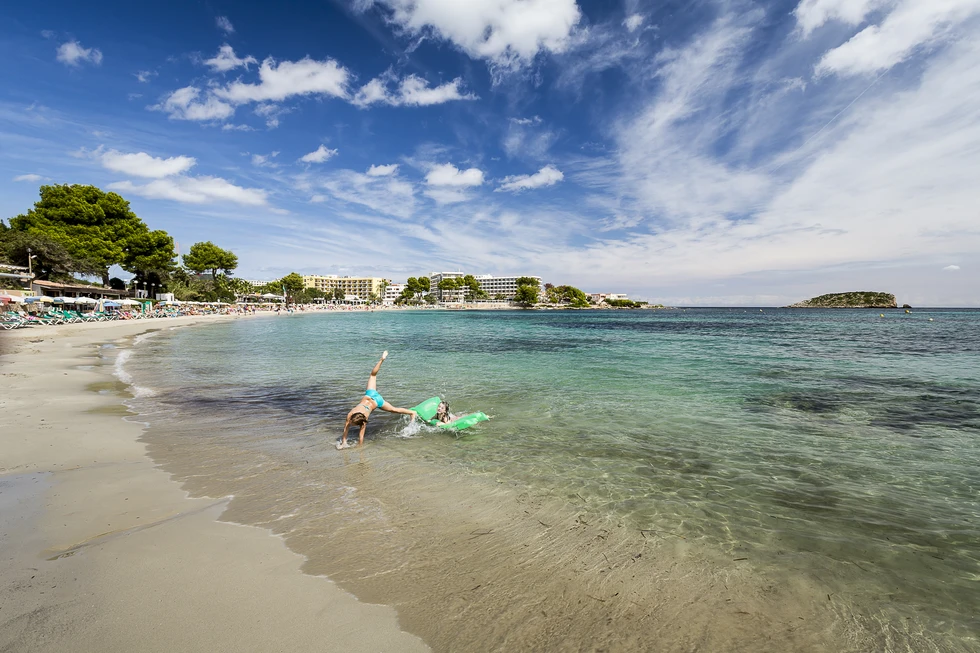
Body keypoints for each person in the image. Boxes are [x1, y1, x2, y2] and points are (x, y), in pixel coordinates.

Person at [338, 351, 417, 449]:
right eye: (351, 422)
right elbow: (347, 428)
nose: (350, 423)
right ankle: (382, 359)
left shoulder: (363, 419)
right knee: (373, 376)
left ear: (359, 423)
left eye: (352, 424)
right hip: (372, 395)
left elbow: (360, 435)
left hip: (377, 401)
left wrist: (359, 448)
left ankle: (412, 412)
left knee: (394, 410)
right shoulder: (351, 415)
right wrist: (343, 443)